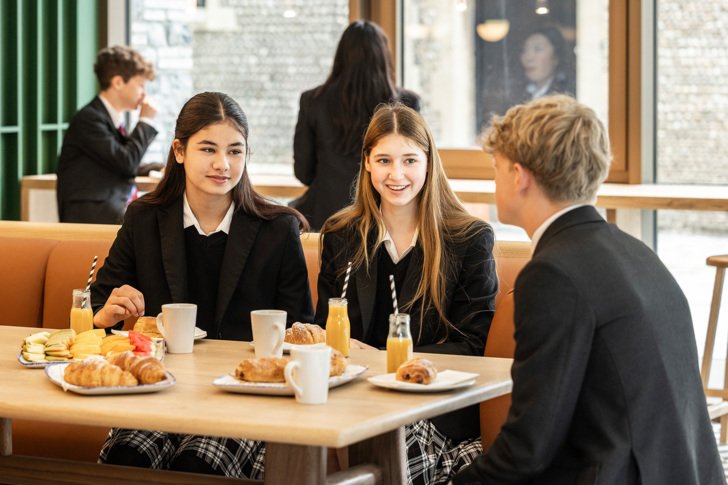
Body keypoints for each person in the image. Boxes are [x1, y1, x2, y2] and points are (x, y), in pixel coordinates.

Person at [451, 95, 724, 484]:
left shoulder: (552, 273)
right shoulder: (637, 253)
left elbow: (528, 448)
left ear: (519, 175)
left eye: (495, 169)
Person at [91, 92, 314, 478]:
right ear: (179, 151)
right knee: (125, 459)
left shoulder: (278, 229)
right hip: (161, 391)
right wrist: (107, 313)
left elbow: (300, 327)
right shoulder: (144, 218)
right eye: (208, 149)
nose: (222, 164)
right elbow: (99, 307)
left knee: (198, 464)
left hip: (243, 397)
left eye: (235, 151)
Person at [316, 103, 498, 485]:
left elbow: (474, 347)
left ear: (429, 163)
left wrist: (387, 360)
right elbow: (324, 331)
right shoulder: (341, 235)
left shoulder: (468, 240)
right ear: (366, 163)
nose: (396, 174)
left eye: (410, 160)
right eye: (384, 160)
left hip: (430, 410)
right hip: (350, 404)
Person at [292, 20, 421, 231]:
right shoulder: (407, 103)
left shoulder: (313, 101)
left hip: (326, 218)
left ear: (341, 57)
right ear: (384, 58)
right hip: (389, 218)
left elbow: (303, 172)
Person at [57, 45, 158, 224]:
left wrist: (158, 168)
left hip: (109, 210)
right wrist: (145, 121)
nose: (144, 94)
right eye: (140, 85)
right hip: (93, 216)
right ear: (118, 82)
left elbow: (116, 162)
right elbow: (125, 162)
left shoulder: (111, 118)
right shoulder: (89, 119)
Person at [515, 26, 575, 103]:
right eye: (524, 50)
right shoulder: (520, 93)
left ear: (556, 56)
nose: (528, 57)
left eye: (538, 49)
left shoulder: (566, 96)